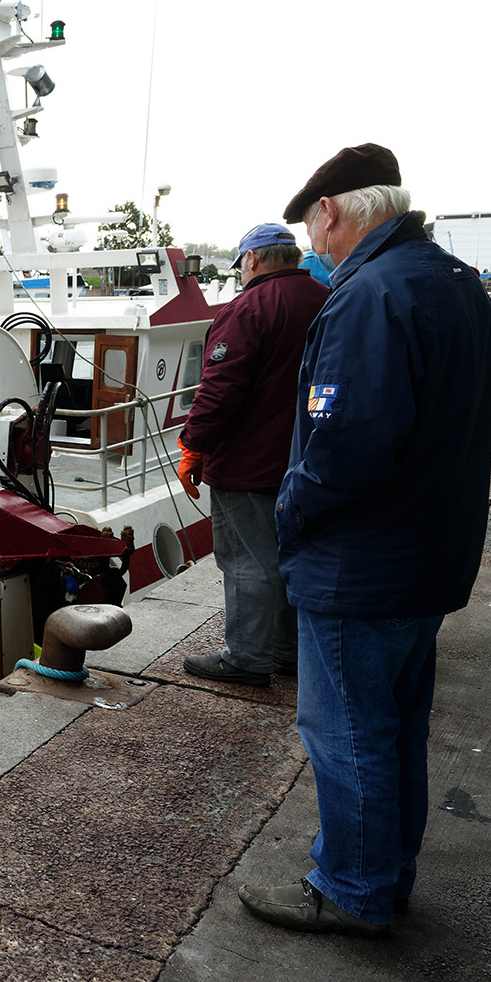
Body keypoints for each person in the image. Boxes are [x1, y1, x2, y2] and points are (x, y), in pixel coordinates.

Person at [236, 143, 491, 937]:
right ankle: (386, 875)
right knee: (396, 726)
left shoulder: (369, 294)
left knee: (345, 729)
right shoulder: (454, 280)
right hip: (429, 554)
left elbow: (345, 443)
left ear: (332, 212)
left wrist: (290, 508)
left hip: (363, 564)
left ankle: (352, 887)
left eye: (313, 230)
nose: (315, 246)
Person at [177, 222, 328, 686]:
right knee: (291, 557)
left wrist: (193, 444)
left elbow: (219, 390)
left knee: (246, 560)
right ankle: (287, 651)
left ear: (252, 259)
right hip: (306, 461)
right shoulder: (327, 299)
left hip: (248, 464)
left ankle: (246, 657)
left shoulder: (248, 308)